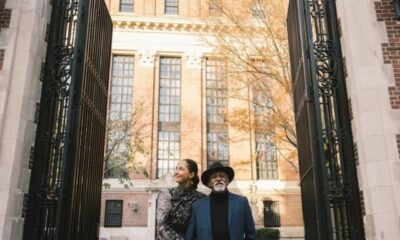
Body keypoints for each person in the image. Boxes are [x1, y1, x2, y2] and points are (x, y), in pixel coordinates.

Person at [185, 161, 256, 240]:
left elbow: (251, 235)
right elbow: (190, 236)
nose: (218, 178)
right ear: (209, 183)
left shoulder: (242, 202)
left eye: (222, 176)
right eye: (214, 177)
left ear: (228, 181)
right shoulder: (197, 206)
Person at [156, 159, 205, 240]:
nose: (176, 172)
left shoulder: (201, 198)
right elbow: (162, 226)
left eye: (181, 169)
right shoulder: (166, 194)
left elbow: (202, 227)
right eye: (176, 168)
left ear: (191, 174)